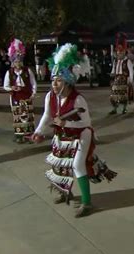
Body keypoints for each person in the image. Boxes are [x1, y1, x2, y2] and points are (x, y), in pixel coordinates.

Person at [32, 43, 117, 218]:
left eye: (58, 80)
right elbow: (47, 115)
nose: (54, 84)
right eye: (53, 79)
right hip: (63, 135)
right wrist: (39, 131)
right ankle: (65, 192)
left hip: (82, 134)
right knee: (60, 164)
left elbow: (86, 124)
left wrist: (66, 124)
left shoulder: (78, 100)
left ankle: (87, 202)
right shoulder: (50, 96)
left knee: (77, 164)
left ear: (68, 82)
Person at [3, 39, 37, 144]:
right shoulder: (9, 72)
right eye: (16, 61)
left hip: (26, 95)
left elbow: (33, 83)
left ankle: (29, 135)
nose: (18, 63)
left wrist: (33, 93)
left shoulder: (27, 71)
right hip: (15, 97)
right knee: (18, 116)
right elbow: (5, 86)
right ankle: (19, 136)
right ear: (13, 62)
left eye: (19, 61)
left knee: (28, 116)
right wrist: (12, 88)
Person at [109, 40, 134, 115]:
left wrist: (130, 80)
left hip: (124, 80)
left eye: (120, 53)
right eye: (118, 53)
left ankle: (124, 108)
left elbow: (131, 71)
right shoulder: (115, 61)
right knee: (114, 95)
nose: (119, 54)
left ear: (124, 53)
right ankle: (114, 109)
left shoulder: (128, 61)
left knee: (123, 95)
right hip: (116, 80)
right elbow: (113, 70)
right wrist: (112, 74)